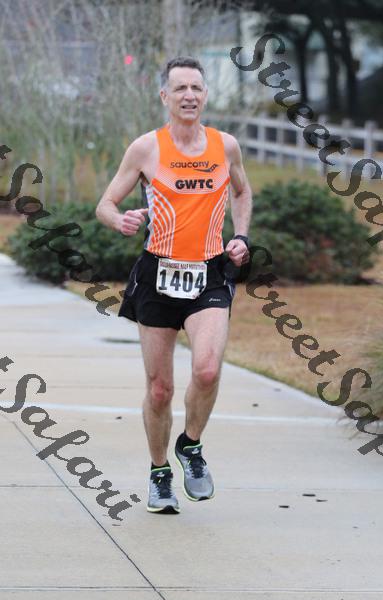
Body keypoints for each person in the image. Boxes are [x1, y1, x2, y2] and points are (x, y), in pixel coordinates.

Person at [96, 56, 252, 514]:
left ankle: (191, 445)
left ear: (206, 95)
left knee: (207, 371)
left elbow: (242, 191)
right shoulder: (146, 148)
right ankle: (160, 471)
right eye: (180, 88)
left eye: (196, 88)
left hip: (209, 273)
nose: (189, 96)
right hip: (157, 275)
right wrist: (119, 220)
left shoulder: (225, 146)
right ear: (164, 96)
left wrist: (241, 236)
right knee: (160, 389)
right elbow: (105, 203)